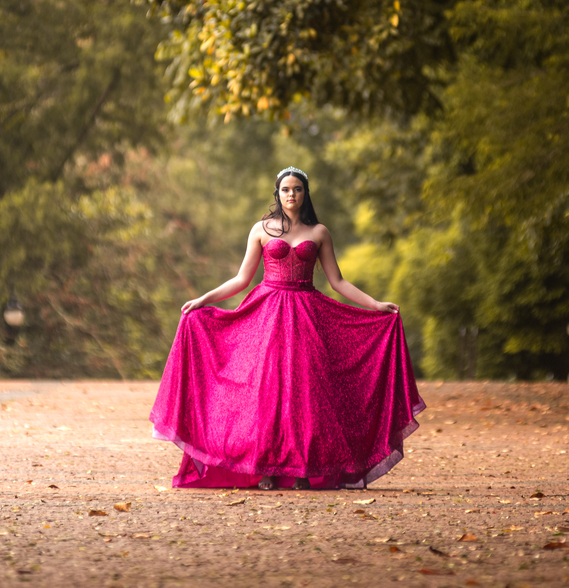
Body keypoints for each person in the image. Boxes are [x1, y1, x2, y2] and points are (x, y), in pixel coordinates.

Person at [150, 166, 426, 490]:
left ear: (305, 193)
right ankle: (265, 467)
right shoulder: (261, 229)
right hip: (267, 315)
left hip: (307, 315)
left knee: (307, 390)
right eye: (285, 190)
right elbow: (241, 279)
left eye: (297, 189)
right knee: (266, 390)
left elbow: (338, 282)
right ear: (277, 194)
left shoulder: (320, 232)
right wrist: (203, 299)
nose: (291, 195)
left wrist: (375, 304)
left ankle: (303, 470)